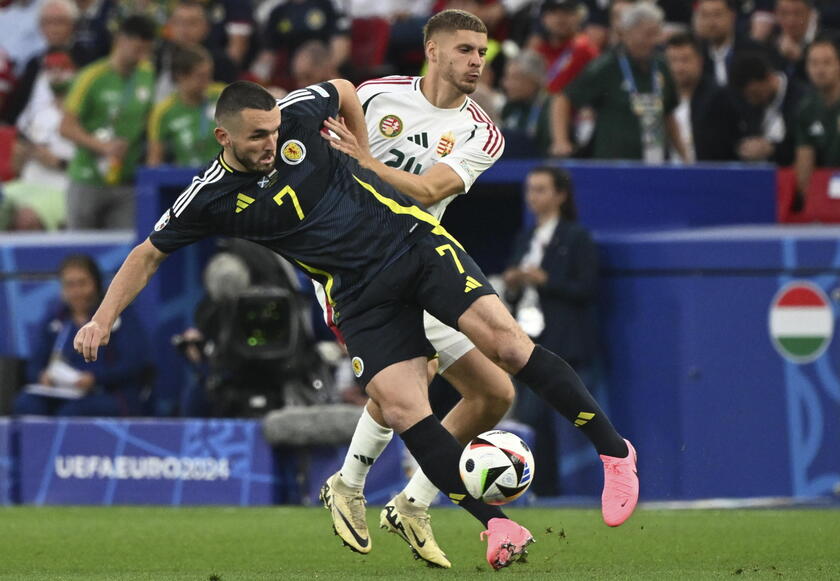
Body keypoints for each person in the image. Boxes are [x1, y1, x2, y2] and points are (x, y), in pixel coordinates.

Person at [73, 78, 638, 571]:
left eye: (273, 132)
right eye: (256, 137)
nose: (271, 143)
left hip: (411, 243)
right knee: (401, 405)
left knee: (507, 350)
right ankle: (494, 524)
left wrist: (364, 154)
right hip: (359, 295)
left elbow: (342, 88)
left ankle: (615, 453)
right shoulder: (210, 198)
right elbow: (146, 253)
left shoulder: (295, 115)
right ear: (224, 138)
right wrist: (102, 320)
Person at [314, 10, 510, 569]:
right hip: (353, 267)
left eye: (483, 52)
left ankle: (410, 501)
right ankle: (350, 485)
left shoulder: (483, 132)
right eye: (466, 49)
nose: (476, 61)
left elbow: (428, 192)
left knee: (494, 394)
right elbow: (324, 152)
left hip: (419, 263)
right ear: (432, 49)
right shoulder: (375, 97)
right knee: (411, 379)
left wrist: (366, 160)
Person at [503, 166, 600, 496]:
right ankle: (537, 486)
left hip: (561, 340)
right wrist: (514, 283)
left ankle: (547, 487)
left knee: (547, 416)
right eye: (530, 189)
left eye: (542, 189)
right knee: (531, 416)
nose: (534, 197)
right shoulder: (524, 237)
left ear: (560, 195)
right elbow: (513, 293)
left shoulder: (576, 237)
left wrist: (547, 282)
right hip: (526, 337)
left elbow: (587, 288)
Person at [15, 254, 151, 417]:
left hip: (109, 392)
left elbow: (133, 363)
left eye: (82, 283)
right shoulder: (56, 318)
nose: (76, 292)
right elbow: (35, 363)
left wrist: (95, 378)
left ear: (96, 283)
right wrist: (41, 376)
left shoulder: (118, 315)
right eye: (69, 285)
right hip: (62, 392)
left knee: (71, 412)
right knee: (26, 403)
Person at [551, 2, 688, 162]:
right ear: (627, 33)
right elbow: (563, 99)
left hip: (655, 162)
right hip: (613, 164)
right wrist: (560, 141)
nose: (654, 41)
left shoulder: (662, 65)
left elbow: (668, 114)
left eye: (656, 34)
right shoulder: (606, 66)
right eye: (647, 34)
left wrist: (684, 155)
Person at [59, 14, 156, 230]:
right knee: (81, 252)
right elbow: (66, 127)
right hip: (88, 178)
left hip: (126, 181)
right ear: (121, 40)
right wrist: (103, 146)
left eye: (146, 50)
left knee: (123, 253)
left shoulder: (147, 75)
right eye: (137, 48)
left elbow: (150, 121)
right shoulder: (91, 77)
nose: (141, 55)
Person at [698, 50, 803, 164]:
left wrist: (773, 149)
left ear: (769, 77)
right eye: (747, 97)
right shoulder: (749, 102)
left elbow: (804, 146)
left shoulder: (800, 100)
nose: (751, 101)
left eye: (755, 94)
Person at [147, 44, 224, 167]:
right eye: (200, 76)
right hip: (186, 181)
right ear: (181, 76)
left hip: (226, 177)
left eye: (209, 75)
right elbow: (154, 160)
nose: (207, 82)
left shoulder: (224, 97)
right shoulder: (163, 112)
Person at [793, 35, 840, 212]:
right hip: (826, 190)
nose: (820, 70)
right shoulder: (806, 109)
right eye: (814, 63)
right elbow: (804, 163)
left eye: (827, 62)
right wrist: (812, 203)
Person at [526, 0, 599, 94]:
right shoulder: (539, 52)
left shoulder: (585, 50)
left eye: (567, 12)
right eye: (553, 12)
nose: (560, 19)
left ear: (578, 17)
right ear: (543, 18)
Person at [664, 33, 717, 163]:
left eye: (685, 60)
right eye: (673, 60)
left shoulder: (717, 99)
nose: (678, 68)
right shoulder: (660, 100)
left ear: (700, 61)